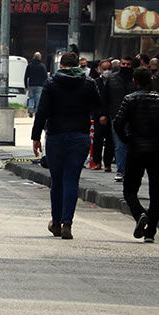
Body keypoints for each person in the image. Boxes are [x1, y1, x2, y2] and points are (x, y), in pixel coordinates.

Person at [31, 52, 100, 240]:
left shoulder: (52, 83)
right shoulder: (89, 83)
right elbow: (98, 108)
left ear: (61, 65)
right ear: (78, 65)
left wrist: (36, 137)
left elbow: (42, 111)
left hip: (56, 136)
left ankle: (56, 222)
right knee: (71, 180)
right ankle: (67, 223)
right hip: (80, 136)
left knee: (57, 181)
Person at [113, 67, 159, 243]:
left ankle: (139, 213)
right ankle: (150, 233)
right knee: (156, 193)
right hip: (156, 151)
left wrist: (126, 140)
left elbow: (118, 124)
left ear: (134, 81)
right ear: (151, 80)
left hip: (135, 150)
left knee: (129, 190)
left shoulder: (129, 99)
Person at [100, 58, 134, 180]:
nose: (125, 66)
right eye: (123, 64)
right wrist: (103, 114)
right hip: (116, 116)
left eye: (128, 64)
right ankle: (121, 170)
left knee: (132, 145)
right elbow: (105, 98)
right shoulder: (112, 79)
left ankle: (130, 170)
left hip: (133, 117)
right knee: (119, 145)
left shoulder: (135, 79)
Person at [88, 60, 115, 172]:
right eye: (104, 69)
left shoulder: (114, 82)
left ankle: (108, 163)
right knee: (97, 139)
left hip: (111, 114)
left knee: (110, 140)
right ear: (99, 69)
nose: (107, 71)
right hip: (98, 114)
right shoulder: (95, 82)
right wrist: (100, 114)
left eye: (109, 69)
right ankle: (97, 162)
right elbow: (93, 100)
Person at [24, 52, 48, 117]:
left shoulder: (29, 66)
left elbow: (26, 77)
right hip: (40, 85)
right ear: (40, 58)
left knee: (31, 98)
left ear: (33, 57)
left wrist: (26, 86)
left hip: (31, 85)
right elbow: (46, 77)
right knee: (38, 99)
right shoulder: (42, 66)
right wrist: (46, 85)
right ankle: (37, 111)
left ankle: (31, 108)